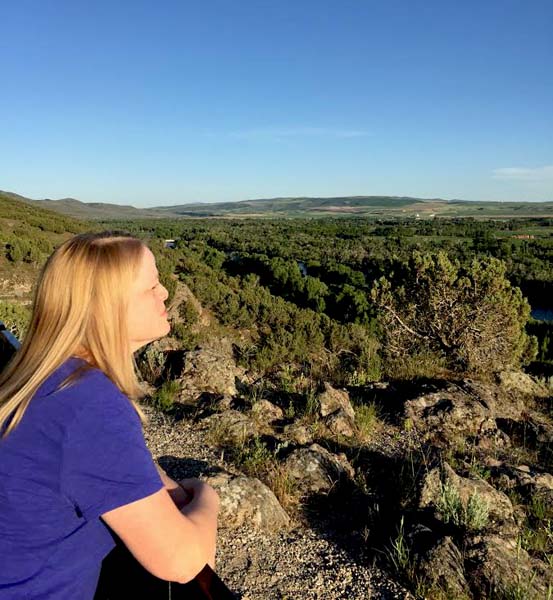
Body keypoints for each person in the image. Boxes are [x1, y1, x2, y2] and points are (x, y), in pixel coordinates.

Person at [0, 232, 221, 599]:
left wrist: (154, 480)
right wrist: (206, 494)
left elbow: (90, 464)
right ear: (109, 308)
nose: (164, 293)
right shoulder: (88, 406)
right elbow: (183, 562)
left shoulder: (48, 379)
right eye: (151, 286)